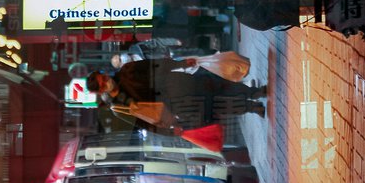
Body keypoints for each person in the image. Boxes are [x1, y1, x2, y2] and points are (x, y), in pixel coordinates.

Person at [86, 59, 268, 133]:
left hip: (175, 83)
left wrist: (180, 63)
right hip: (174, 106)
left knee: (218, 86)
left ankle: (254, 92)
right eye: (102, 84)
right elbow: (144, 123)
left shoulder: (127, 69)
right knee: (216, 107)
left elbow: (155, 63)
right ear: (101, 92)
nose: (106, 81)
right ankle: (252, 107)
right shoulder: (119, 107)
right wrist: (170, 129)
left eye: (103, 77)